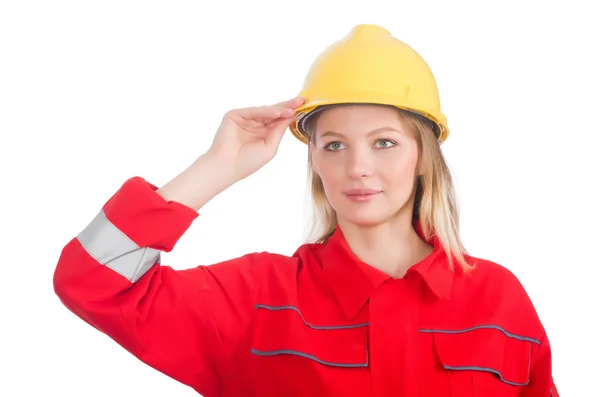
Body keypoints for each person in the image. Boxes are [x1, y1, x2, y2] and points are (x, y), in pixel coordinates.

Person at [53, 24, 559, 396]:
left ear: (423, 155)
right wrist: (217, 167)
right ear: (313, 158)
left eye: (383, 143)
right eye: (334, 145)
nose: (358, 167)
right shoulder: (257, 299)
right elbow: (91, 281)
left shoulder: (498, 301)